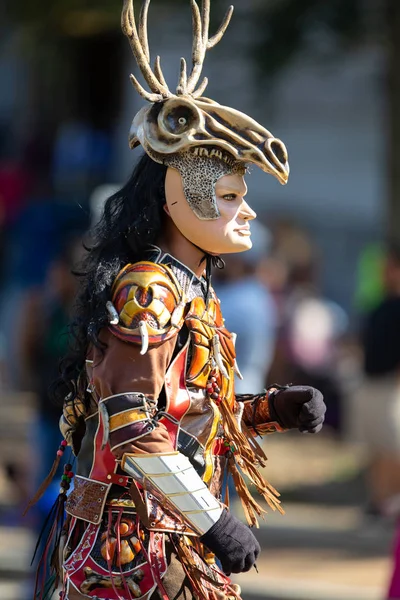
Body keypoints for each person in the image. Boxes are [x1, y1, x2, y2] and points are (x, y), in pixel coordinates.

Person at [29, 2, 326, 599]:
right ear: (179, 202)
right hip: (126, 551)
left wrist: (272, 410)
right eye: (231, 196)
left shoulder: (190, 289)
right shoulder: (148, 289)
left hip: (165, 544)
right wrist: (213, 520)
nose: (248, 211)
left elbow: (186, 415)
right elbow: (135, 424)